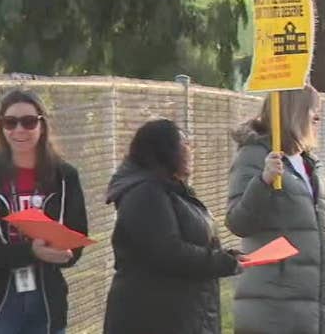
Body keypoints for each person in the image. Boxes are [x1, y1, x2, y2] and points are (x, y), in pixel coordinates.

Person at [0, 90, 88, 334]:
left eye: (29, 122)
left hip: (46, 298)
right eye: (10, 122)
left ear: (42, 125)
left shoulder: (64, 175)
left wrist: (65, 253)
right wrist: (31, 252)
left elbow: (77, 236)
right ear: (1, 127)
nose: (19, 130)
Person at [103, 119, 244, 334]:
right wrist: (221, 262)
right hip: (154, 316)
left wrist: (225, 256)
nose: (190, 150)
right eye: (185, 143)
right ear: (166, 150)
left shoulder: (171, 189)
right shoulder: (145, 193)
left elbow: (190, 241)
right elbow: (167, 252)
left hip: (181, 312)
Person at [226, 85, 325, 334]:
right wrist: (263, 182)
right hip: (274, 304)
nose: (318, 118)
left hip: (317, 307)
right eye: (313, 110)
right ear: (295, 112)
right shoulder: (254, 156)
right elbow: (238, 222)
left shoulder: (311, 164)